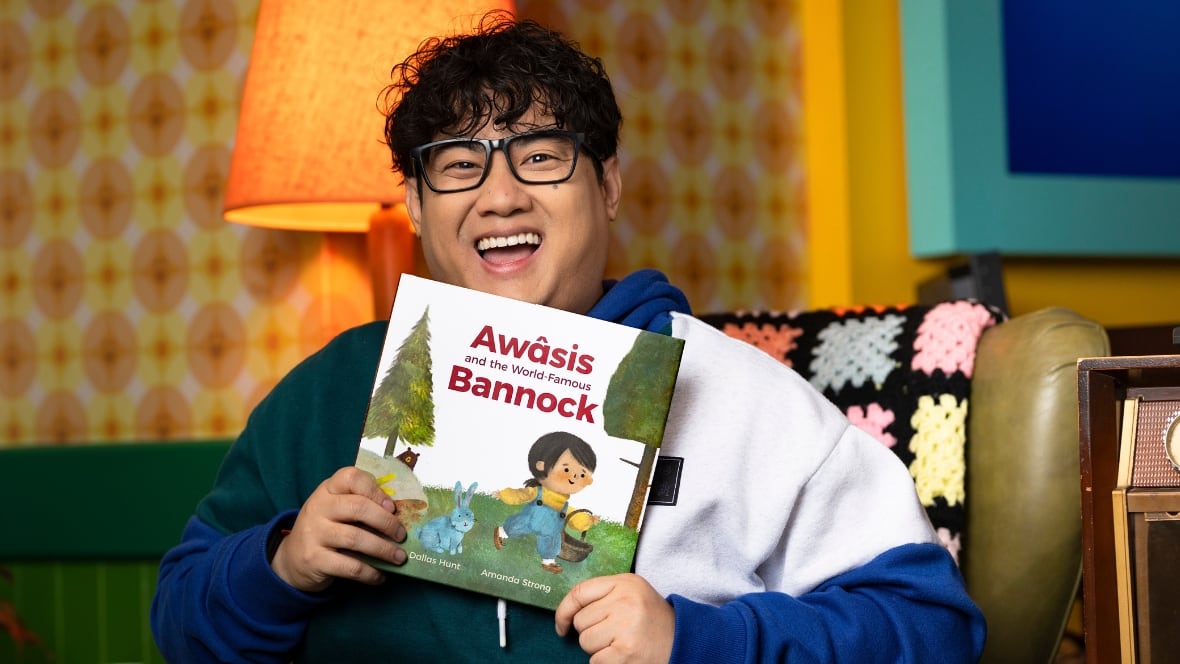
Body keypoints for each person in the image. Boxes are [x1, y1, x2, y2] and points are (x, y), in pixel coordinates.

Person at [151, 11, 986, 663]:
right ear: (414, 205)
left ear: (608, 184)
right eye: (456, 165)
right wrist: (279, 567)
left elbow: (932, 630)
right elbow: (180, 621)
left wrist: (697, 644)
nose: (500, 196)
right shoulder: (331, 388)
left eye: (540, 156)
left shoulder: (742, 399)